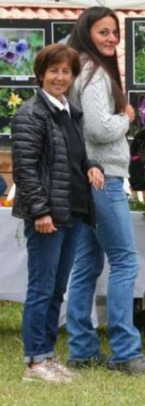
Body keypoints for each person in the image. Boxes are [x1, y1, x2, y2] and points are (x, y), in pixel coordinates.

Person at [65, 7, 145, 376]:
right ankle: (124, 352)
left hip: (89, 177)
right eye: (103, 32)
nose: (110, 39)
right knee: (124, 262)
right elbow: (97, 128)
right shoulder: (92, 72)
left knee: (87, 266)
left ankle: (82, 349)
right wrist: (128, 117)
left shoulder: (83, 67)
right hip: (102, 177)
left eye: (114, 33)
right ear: (86, 33)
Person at [11, 44, 104, 382]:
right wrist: (39, 211)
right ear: (41, 75)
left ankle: (47, 356)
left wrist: (92, 166)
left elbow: (75, 156)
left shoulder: (70, 112)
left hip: (74, 213)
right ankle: (34, 362)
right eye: (54, 71)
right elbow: (25, 169)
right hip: (48, 216)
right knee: (41, 289)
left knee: (56, 291)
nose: (60, 77)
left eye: (66, 71)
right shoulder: (31, 115)